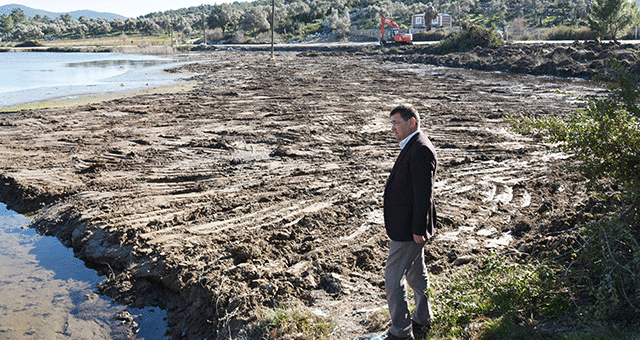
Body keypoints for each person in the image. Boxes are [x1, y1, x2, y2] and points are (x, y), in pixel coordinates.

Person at [382, 104, 437, 340]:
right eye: (391, 123)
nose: (392, 128)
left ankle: (401, 331)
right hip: (408, 227)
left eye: (396, 123)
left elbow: (424, 194)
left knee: (393, 280)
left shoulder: (421, 149)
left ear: (412, 122)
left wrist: (417, 229)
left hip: (408, 231)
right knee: (416, 274)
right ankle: (423, 318)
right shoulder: (413, 145)